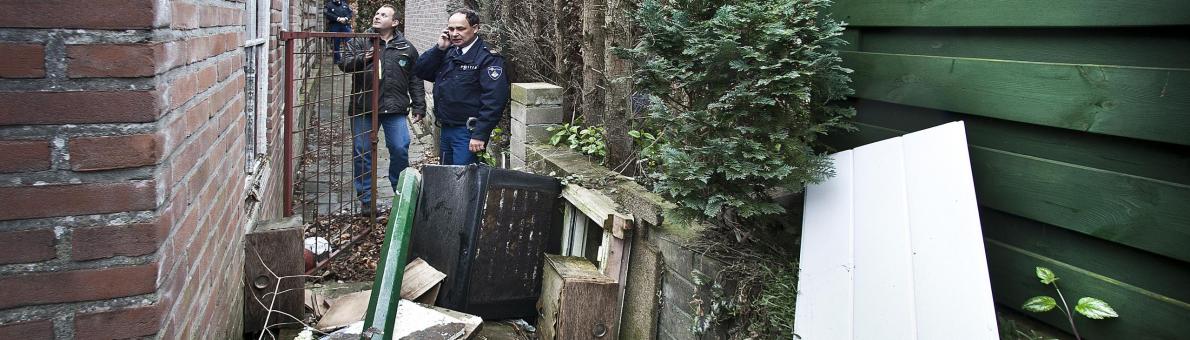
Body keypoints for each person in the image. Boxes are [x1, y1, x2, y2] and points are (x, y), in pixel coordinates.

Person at [338, 4, 425, 211]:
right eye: (377, 13)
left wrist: (419, 105)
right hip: (363, 108)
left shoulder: (406, 47)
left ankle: (399, 191)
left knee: (400, 147)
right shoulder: (360, 41)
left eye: (383, 15)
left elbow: (415, 78)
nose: (377, 17)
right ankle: (367, 199)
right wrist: (363, 58)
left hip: (394, 108)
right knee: (362, 151)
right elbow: (344, 64)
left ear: (394, 22)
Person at [413, 9, 510, 165]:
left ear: (475, 28)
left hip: (468, 132)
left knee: (463, 181)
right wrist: (439, 49)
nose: (454, 33)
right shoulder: (448, 52)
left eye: (460, 28)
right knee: (447, 177)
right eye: (451, 29)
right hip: (446, 128)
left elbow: (494, 99)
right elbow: (421, 71)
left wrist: (480, 134)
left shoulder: (488, 58)